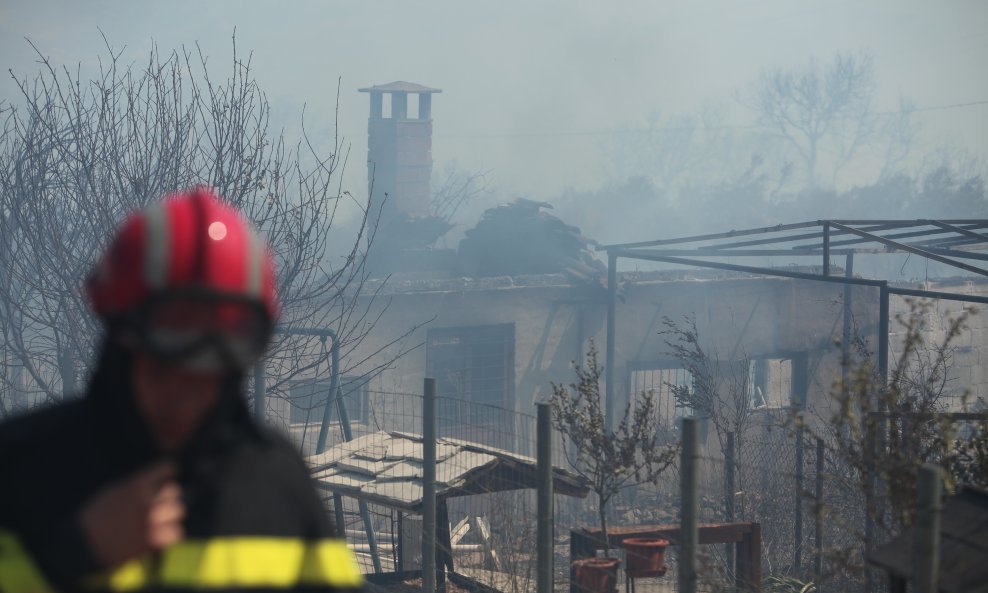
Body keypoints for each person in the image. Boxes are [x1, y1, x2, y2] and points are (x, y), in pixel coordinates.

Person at [0, 188, 363, 592]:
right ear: (123, 342)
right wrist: (74, 554)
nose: (188, 392)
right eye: (166, 364)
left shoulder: (277, 483)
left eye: (211, 373)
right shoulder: (18, 470)